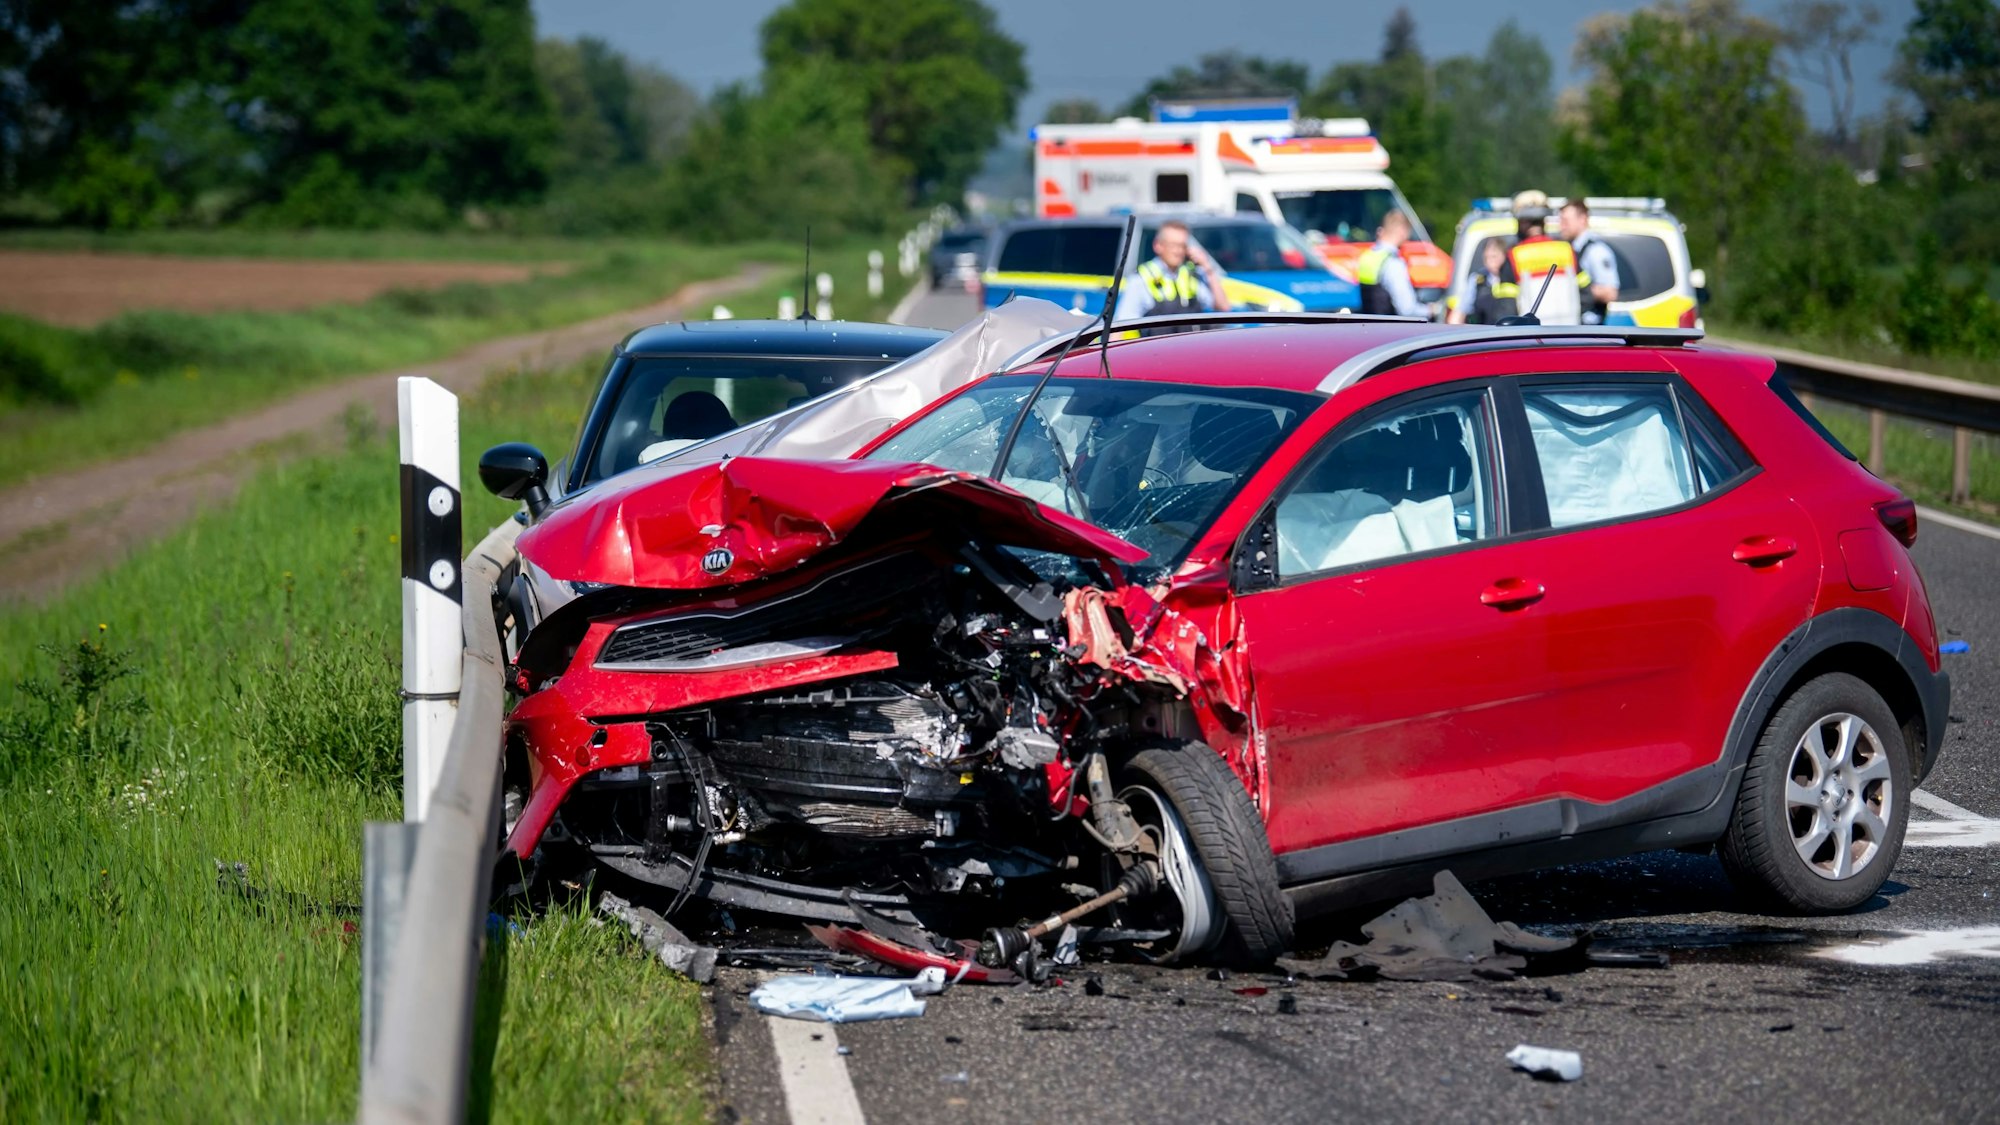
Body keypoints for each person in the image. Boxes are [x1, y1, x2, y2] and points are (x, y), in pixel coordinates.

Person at [1114, 220, 1232, 324]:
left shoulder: (1192, 274)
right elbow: (1121, 323)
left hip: (1193, 347)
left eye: (1182, 246)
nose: (1178, 251)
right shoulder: (1141, 279)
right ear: (1158, 245)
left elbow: (1223, 307)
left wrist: (1208, 268)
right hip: (1158, 349)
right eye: (1173, 245)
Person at [1504, 190, 1584, 326]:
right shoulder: (1566, 250)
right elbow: (1585, 294)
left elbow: (1506, 307)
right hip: (1570, 335)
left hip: (1532, 339)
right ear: (1543, 220)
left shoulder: (1515, 255)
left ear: (1522, 222)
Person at [1560, 199, 1620, 324]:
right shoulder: (1571, 249)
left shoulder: (1596, 251)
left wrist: (1570, 289)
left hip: (1590, 329)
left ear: (1582, 219)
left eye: (1565, 221)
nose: (1561, 226)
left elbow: (1610, 293)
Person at [1356, 210, 1424, 317]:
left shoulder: (1367, 256)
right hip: (1391, 328)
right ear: (1403, 232)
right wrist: (1432, 310)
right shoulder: (1393, 263)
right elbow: (1407, 310)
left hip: (1368, 327)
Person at [1447, 238, 1520, 325]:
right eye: (1487, 257)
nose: (1490, 261)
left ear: (1504, 256)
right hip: (1484, 333)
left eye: (1494, 256)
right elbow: (1461, 310)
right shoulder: (1477, 279)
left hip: (1512, 333)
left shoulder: (1515, 277)